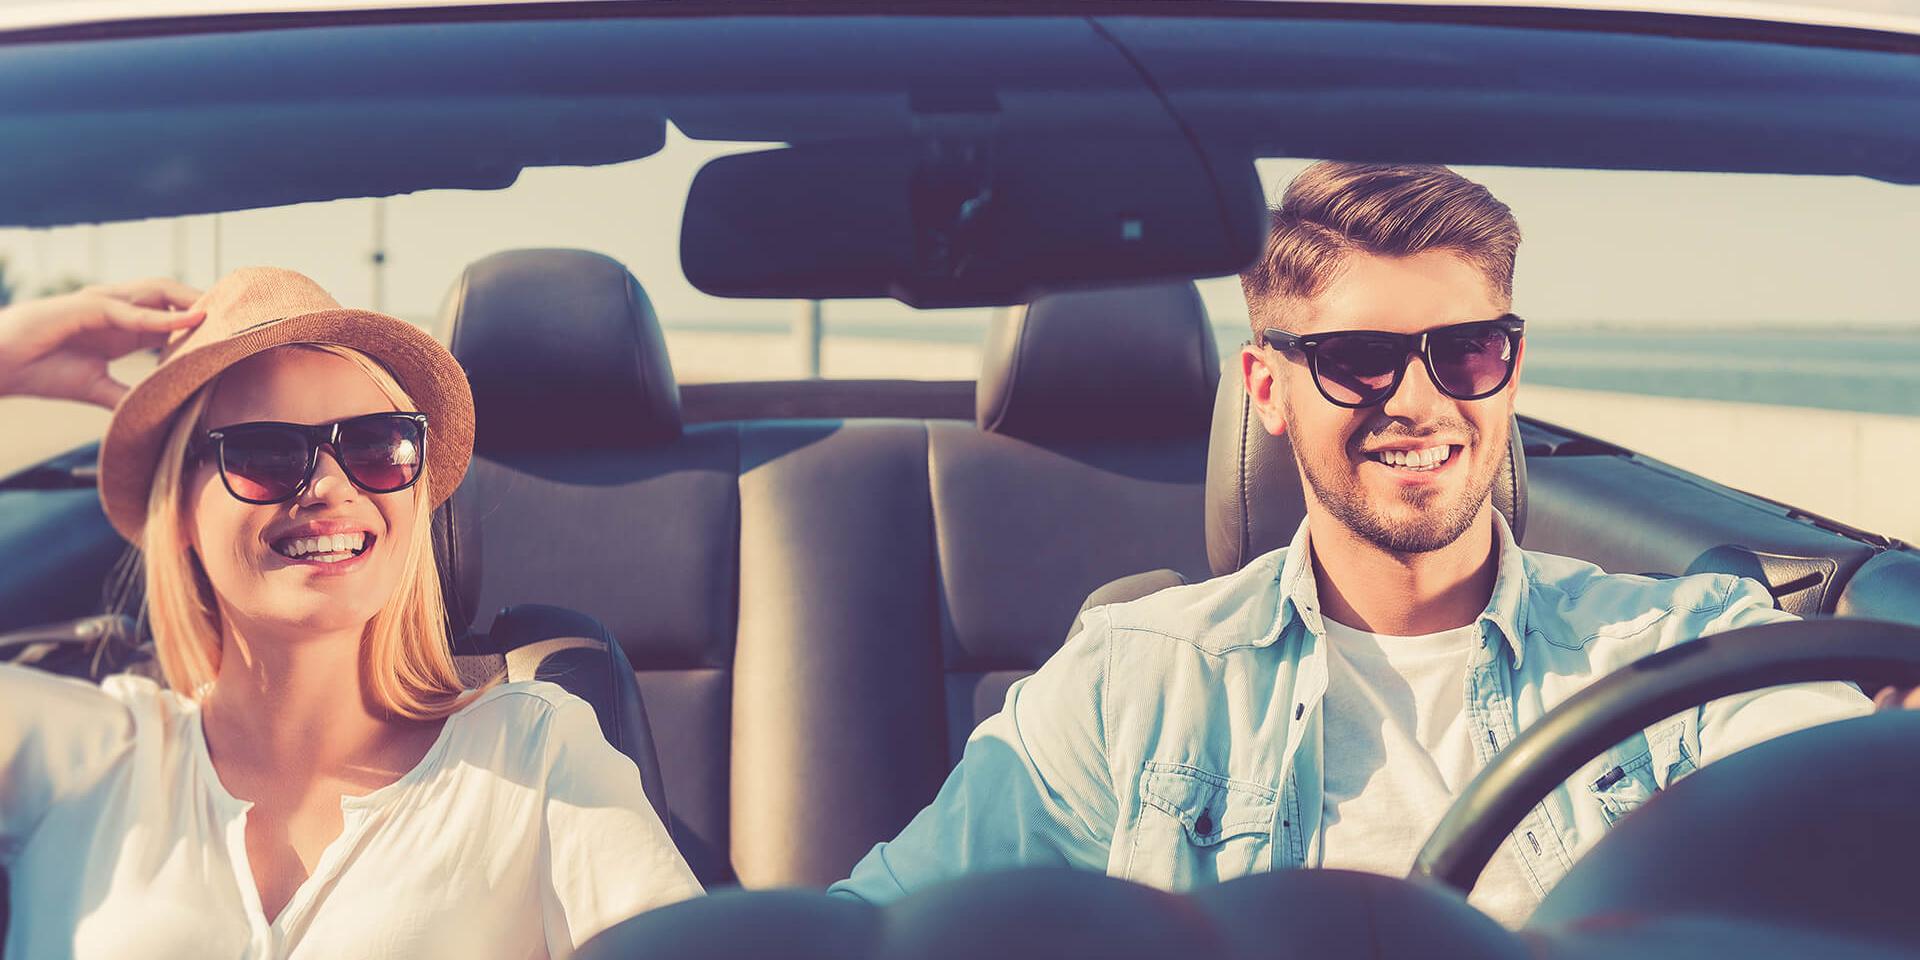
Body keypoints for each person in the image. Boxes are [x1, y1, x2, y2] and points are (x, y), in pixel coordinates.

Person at [828, 162, 1904, 926]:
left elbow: (1836, 819)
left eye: (1467, 351)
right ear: (1268, 390)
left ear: (1512, 367)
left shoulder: (1679, 651)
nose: (1422, 402)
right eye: (1359, 359)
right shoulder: (1134, 679)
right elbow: (878, 929)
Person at [0, 268, 700, 959]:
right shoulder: (84, 757)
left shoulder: (536, 753)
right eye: (266, 454)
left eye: (377, 445)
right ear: (179, 509)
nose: (331, 486)